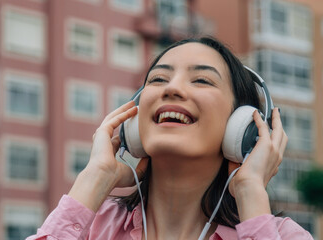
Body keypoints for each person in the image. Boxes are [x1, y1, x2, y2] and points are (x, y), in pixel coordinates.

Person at [27, 37, 313, 240]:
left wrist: (251, 192)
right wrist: (95, 177)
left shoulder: (283, 235)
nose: (172, 89)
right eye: (158, 79)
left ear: (243, 127)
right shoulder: (90, 226)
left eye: (202, 80)